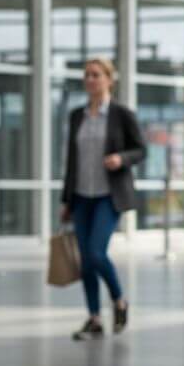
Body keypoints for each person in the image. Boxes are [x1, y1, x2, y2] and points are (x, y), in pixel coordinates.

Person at [60, 58, 146, 340]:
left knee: (96, 252)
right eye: (87, 75)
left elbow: (140, 150)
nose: (90, 80)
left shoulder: (121, 114)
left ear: (110, 79)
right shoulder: (77, 116)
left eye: (96, 75)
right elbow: (71, 161)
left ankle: (119, 300)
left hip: (109, 195)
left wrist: (121, 158)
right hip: (82, 195)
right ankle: (94, 318)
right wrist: (66, 200)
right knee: (86, 260)